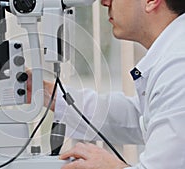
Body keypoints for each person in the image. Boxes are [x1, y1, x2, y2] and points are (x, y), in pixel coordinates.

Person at [28, 0, 185, 168]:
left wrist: (113, 167)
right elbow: (136, 117)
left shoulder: (178, 66)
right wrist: (44, 92)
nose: (105, 2)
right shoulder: (173, 54)